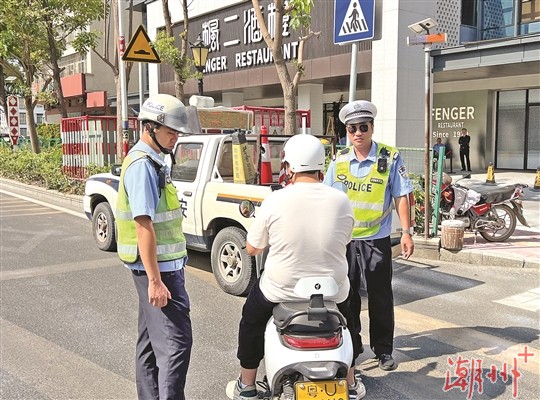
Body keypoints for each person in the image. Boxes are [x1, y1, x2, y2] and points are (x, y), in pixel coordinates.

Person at [227, 134, 366, 400]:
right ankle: (350, 380)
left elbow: (253, 248)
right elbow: (345, 239)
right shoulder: (341, 201)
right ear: (321, 168)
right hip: (333, 290)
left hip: (282, 289)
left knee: (252, 321)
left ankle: (247, 385)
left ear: (289, 167)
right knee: (351, 321)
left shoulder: (276, 200)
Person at [323, 100, 414, 372]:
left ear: (372, 128)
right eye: (352, 129)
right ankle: (352, 345)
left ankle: (383, 349)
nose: (358, 133)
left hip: (377, 237)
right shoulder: (338, 161)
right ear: (347, 132)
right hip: (346, 240)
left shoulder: (390, 157)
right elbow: (325, 199)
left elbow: (401, 197)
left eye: (363, 127)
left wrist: (407, 233)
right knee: (346, 296)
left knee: (380, 296)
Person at [116, 94, 192, 399]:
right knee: (176, 345)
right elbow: (143, 224)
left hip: (158, 269)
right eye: (170, 132)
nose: (175, 138)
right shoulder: (143, 165)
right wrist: (156, 281)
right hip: (161, 272)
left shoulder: (153, 161)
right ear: (150, 127)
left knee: (149, 344)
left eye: (176, 133)